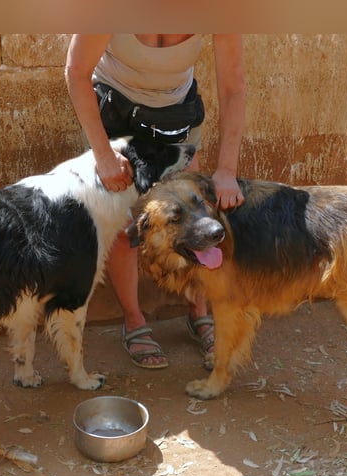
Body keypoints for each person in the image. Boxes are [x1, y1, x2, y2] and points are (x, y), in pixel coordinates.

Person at [65, 34, 246, 369]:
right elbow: (76, 73)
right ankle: (134, 319)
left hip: (175, 118)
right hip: (115, 115)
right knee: (123, 227)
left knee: (197, 220)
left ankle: (199, 310)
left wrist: (226, 170)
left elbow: (233, 87)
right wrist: (103, 156)